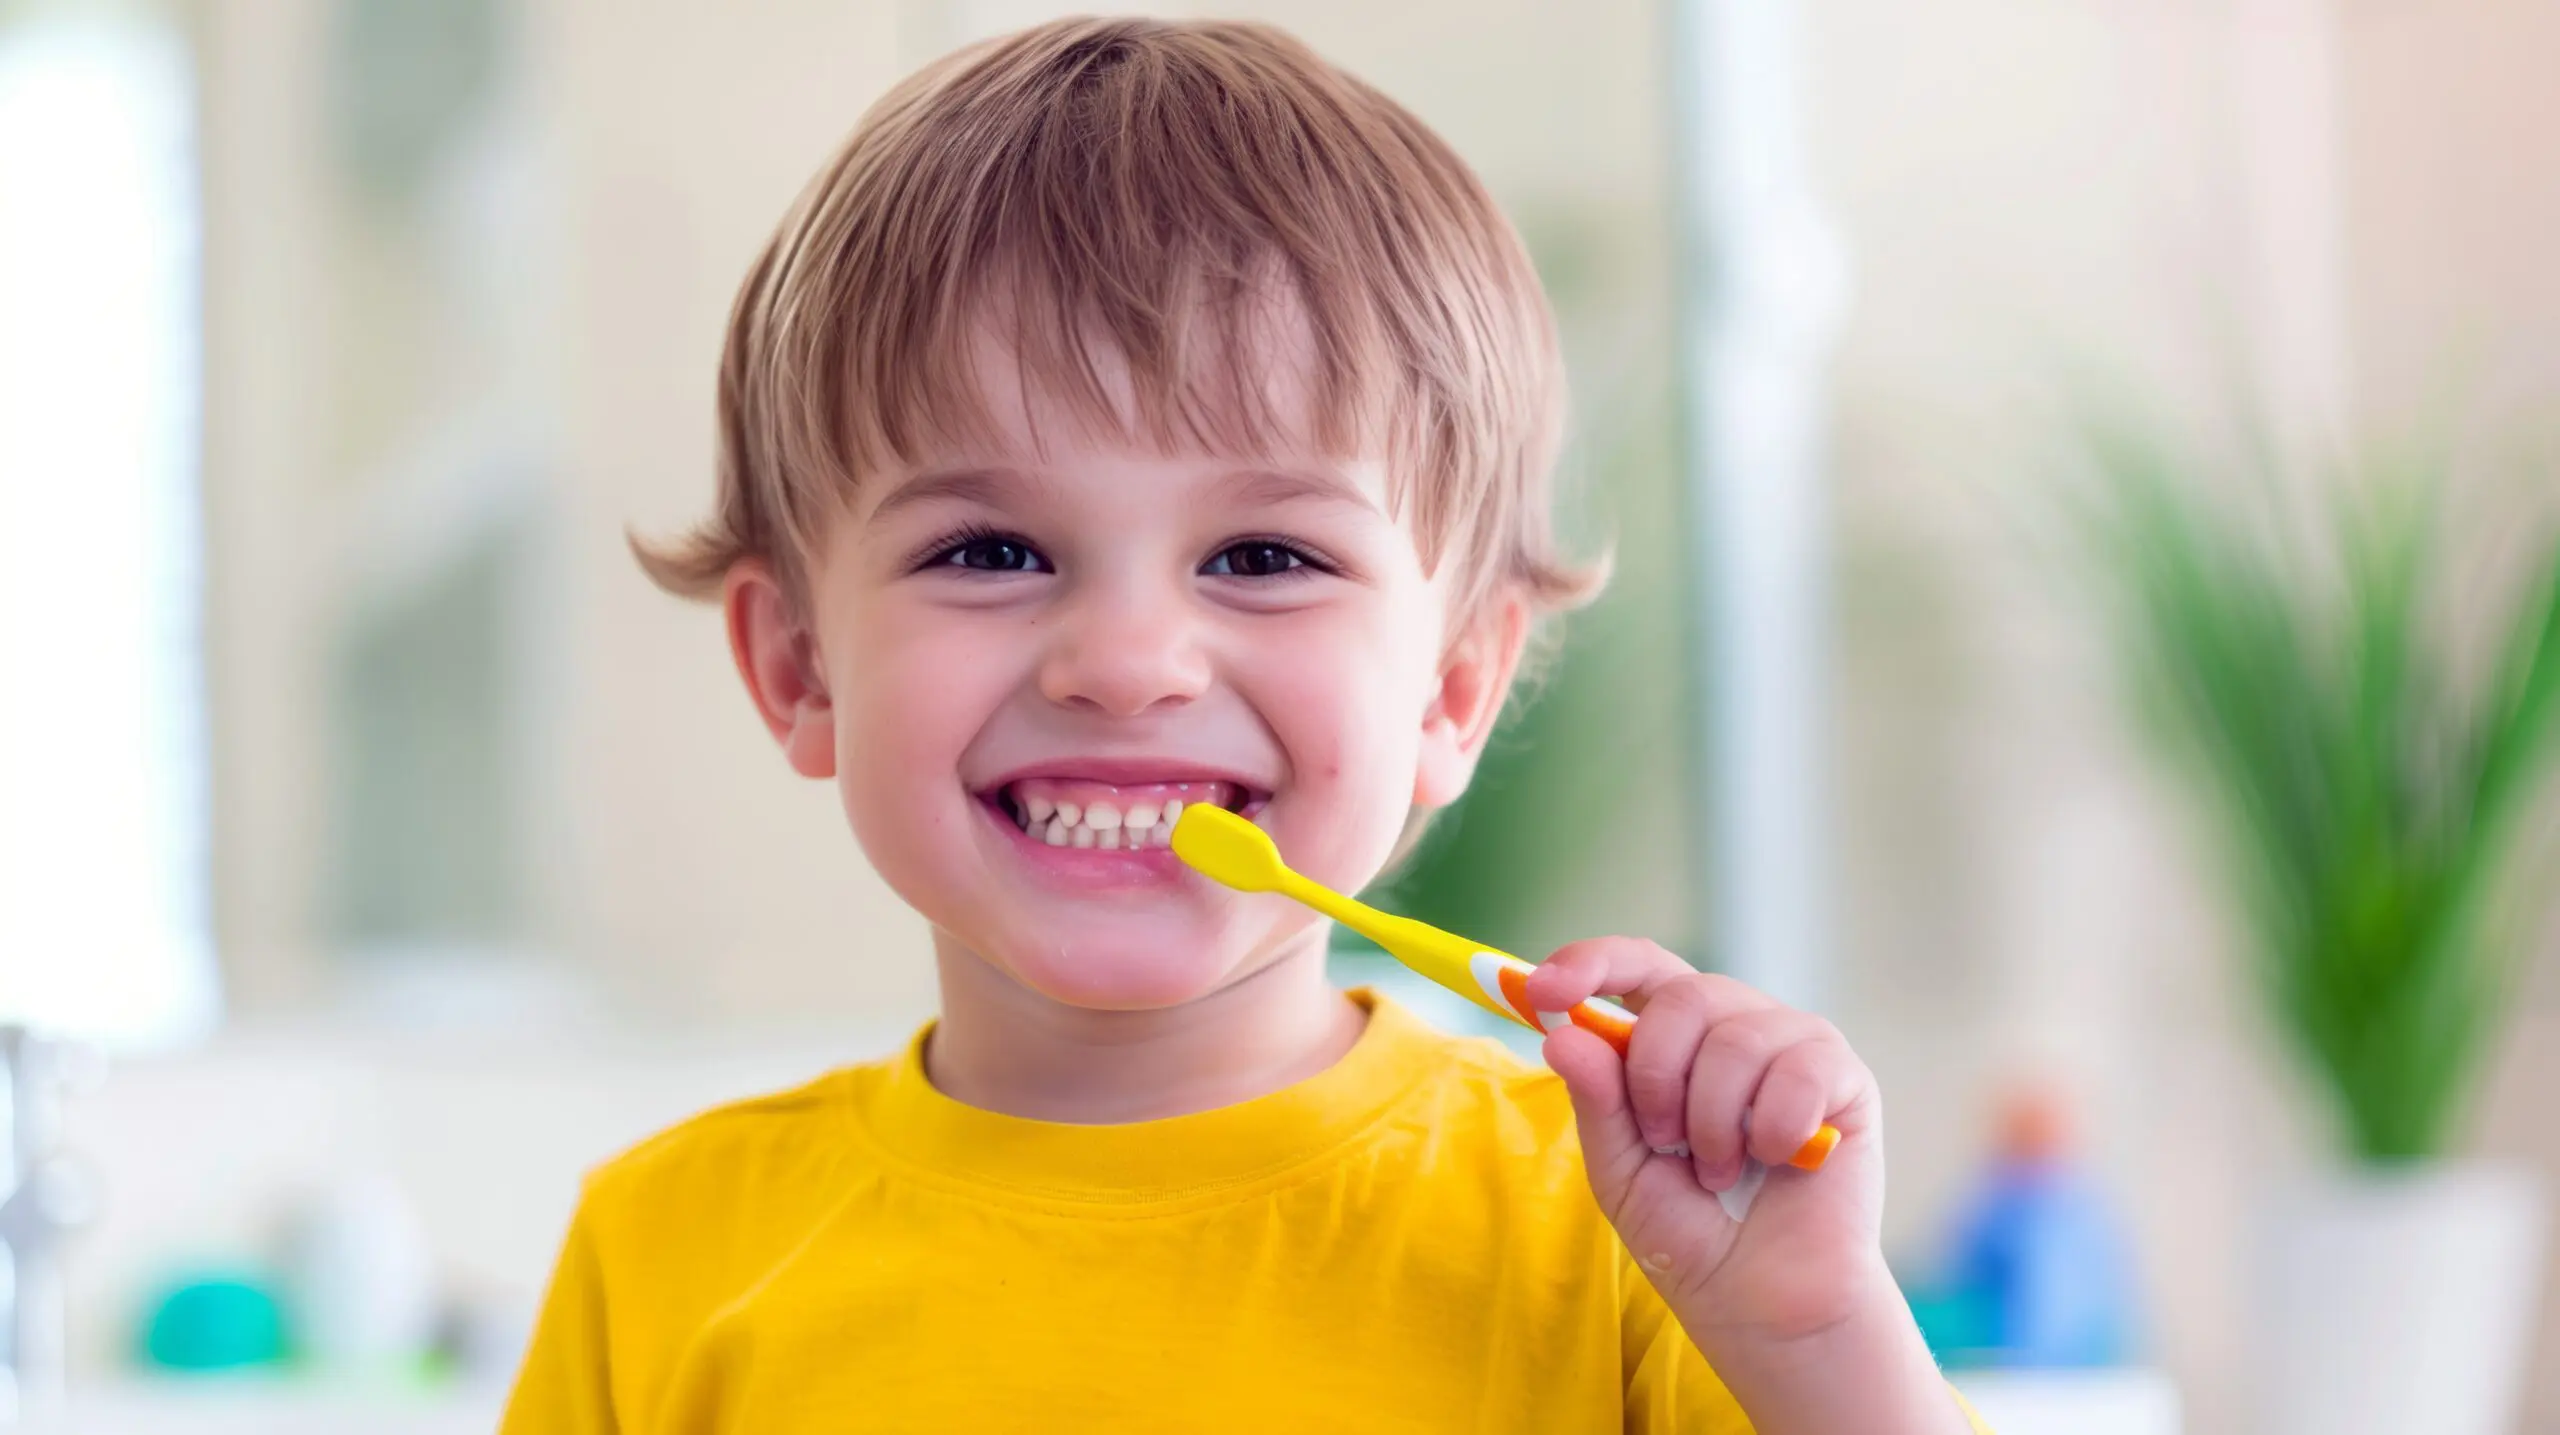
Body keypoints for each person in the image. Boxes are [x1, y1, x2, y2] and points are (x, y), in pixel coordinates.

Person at [501, 17, 1989, 1433]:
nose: (1129, 661)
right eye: (991, 551)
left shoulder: (1636, 1236)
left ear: (1452, 686)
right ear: (800, 668)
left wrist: (1809, 1340)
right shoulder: (661, 1254)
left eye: (1265, 558)